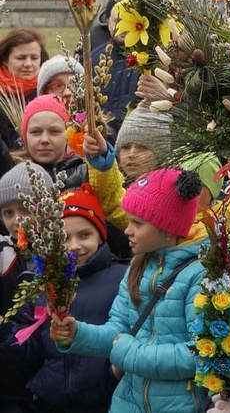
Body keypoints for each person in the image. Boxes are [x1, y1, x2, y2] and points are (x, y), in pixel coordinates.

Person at [49, 168, 209, 413]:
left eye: (137, 223)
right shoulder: (138, 264)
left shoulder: (198, 274)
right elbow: (118, 329)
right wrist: (77, 334)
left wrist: (131, 354)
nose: (127, 230)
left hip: (179, 405)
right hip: (128, 403)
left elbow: (198, 354)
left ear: (167, 227)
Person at [0, 185, 126, 413]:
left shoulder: (121, 279)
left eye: (85, 235)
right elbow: (30, 349)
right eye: (64, 237)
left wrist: (113, 374)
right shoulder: (41, 284)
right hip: (49, 402)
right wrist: (6, 334)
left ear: (100, 236)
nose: (74, 246)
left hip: (104, 400)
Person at [0, 162, 53, 409]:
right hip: (12, 375)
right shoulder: (5, 254)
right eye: (8, 212)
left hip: (55, 372)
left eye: (24, 208)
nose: (16, 220)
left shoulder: (66, 249)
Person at [20, 95, 87, 190]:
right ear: (25, 136)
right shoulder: (13, 174)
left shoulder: (85, 173)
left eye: (54, 131)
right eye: (36, 132)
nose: (44, 140)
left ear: (68, 134)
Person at [94, 2, 140, 133]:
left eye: (128, 22)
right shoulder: (96, 58)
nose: (123, 27)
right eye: (118, 21)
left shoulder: (147, 60)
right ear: (109, 23)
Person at [0, 27, 49, 149]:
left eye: (34, 58)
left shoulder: (49, 89)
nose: (28, 64)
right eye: (21, 58)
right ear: (5, 60)